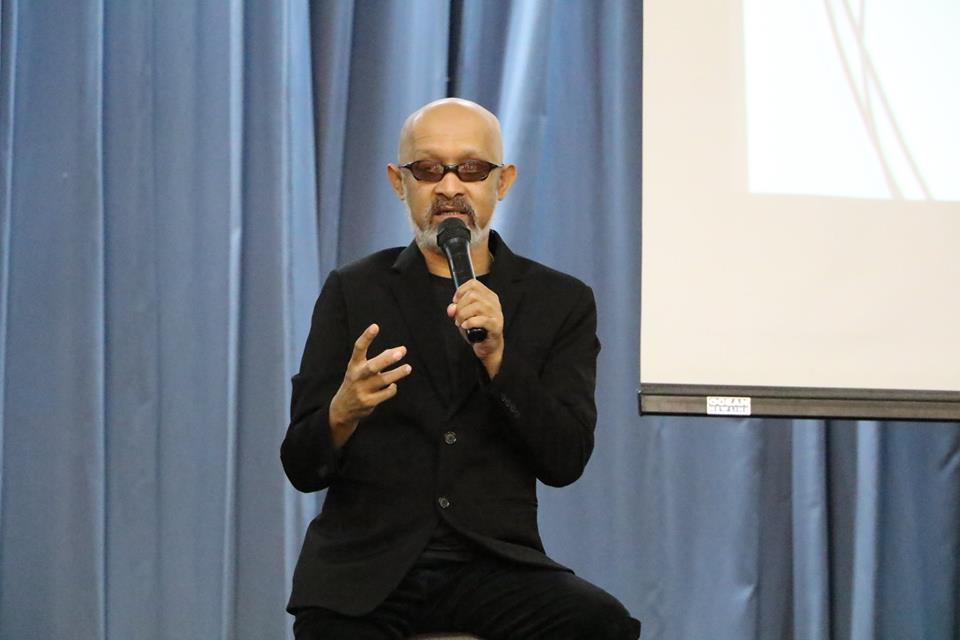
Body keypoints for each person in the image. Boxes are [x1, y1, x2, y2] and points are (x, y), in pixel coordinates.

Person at [281, 98, 641, 640]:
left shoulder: (559, 300)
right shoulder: (353, 290)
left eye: (471, 169)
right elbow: (301, 465)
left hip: (494, 565)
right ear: (399, 182)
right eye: (428, 170)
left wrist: (499, 359)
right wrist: (341, 412)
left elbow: (565, 459)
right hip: (364, 570)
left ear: (503, 181)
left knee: (602, 625)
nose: (450, 187)